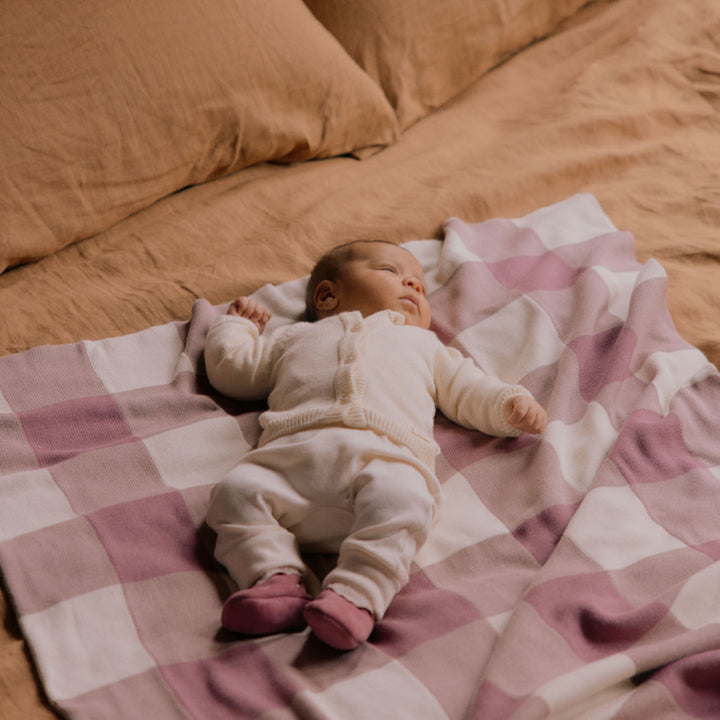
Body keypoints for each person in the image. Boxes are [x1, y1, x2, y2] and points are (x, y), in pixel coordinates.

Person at [204, 240, 547, 650]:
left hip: (386, 456)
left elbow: (470, 389)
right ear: (327, 294)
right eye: (391, 271)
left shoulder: (426, 347)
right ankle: (273, 577)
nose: (413, 286)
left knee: (406, 500)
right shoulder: (292, 338)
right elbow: (232, 370)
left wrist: (509, 405)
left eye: (419, 284)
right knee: (234, 493)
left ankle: (356, 595)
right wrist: (236, 327)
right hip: (290, 455)